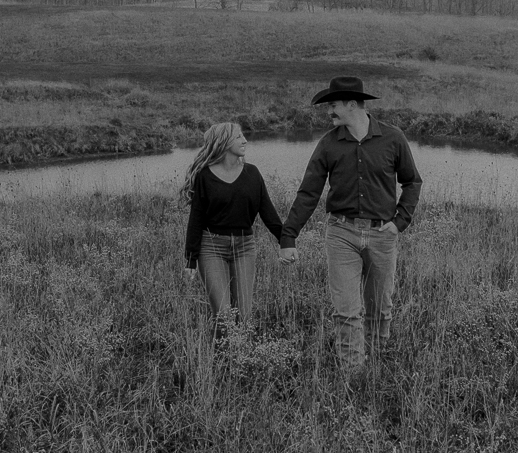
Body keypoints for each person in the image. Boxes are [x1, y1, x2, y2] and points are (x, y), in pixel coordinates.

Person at [279, 76, 422, 369]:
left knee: (380, 310)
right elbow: (308, 192)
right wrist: (288, 235)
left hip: (383, 234)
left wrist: (399, 221)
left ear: (352, 104)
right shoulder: (328, 144)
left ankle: (377, 369)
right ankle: (353, 376)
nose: (328, 111)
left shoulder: (393, 138)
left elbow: (412, 181)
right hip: (341, 234)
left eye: (333, 105)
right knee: (346, 311)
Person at [181, 122, 286, 329]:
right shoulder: (205, 176)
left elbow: (268, 213)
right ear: (224, 141)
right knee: (223, 315)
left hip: (245, 248)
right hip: (211, 248)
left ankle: (241, 358)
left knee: (244, 316)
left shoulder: (252, 173)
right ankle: (223, 360)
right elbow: (196, 219)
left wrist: (286, 240)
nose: (245, 140)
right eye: (239, 136)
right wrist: (191, 258)